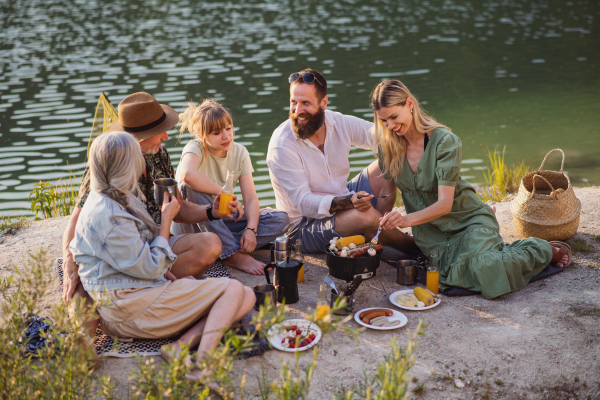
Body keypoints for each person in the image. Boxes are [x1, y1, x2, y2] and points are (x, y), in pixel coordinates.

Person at [61, 92, 241, 363]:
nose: (166, 137)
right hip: (124, 249)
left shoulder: (160, 156)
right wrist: (68, 262)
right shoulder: (108, 164)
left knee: (211, 244)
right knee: (81, 277)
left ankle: (158, 289)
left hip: (156, 240)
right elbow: (77, 219)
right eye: (160, 132)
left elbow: (178, 207)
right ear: (138, 139)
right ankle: (84, 341)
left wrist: (209, 211)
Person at [373, 79, 570, 299]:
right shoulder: (387, 147)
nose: (390, 126)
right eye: (383, 120)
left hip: (468, 220)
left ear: (409, 103)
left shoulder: (444, 142)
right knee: (446, 276)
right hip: (431, 235)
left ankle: (542, 250)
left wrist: (405, 220)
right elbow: (386, 196)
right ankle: (499, 254)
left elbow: (445, 204)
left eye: (393, 117)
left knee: (486, 267)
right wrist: (377, 221)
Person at [267, 68, 419, 254]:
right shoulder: (282, 145)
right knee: (367, 217)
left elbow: (381, 137)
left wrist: (422, 141)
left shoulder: (337, 122)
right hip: (303, 228)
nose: (297, 111)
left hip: (344, 197)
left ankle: (380, 231)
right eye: (293, 102)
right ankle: (414, 247)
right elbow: (303, 202)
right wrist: (349, 202)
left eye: (305, 103)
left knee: (385, 162)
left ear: (324, 103)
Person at [172, 99, 290, 275]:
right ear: (200, 135)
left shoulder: (240, 152)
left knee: (280, 219)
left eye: (228, 128)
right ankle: (233, 254)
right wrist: (223, 193)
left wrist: (251, 230)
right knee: (190, 185)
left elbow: (250, 198)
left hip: (223, 221)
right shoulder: (194, 147)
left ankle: (225, 246)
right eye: (217, 132)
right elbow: (187, 174)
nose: (226, 136)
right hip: (195, 223)